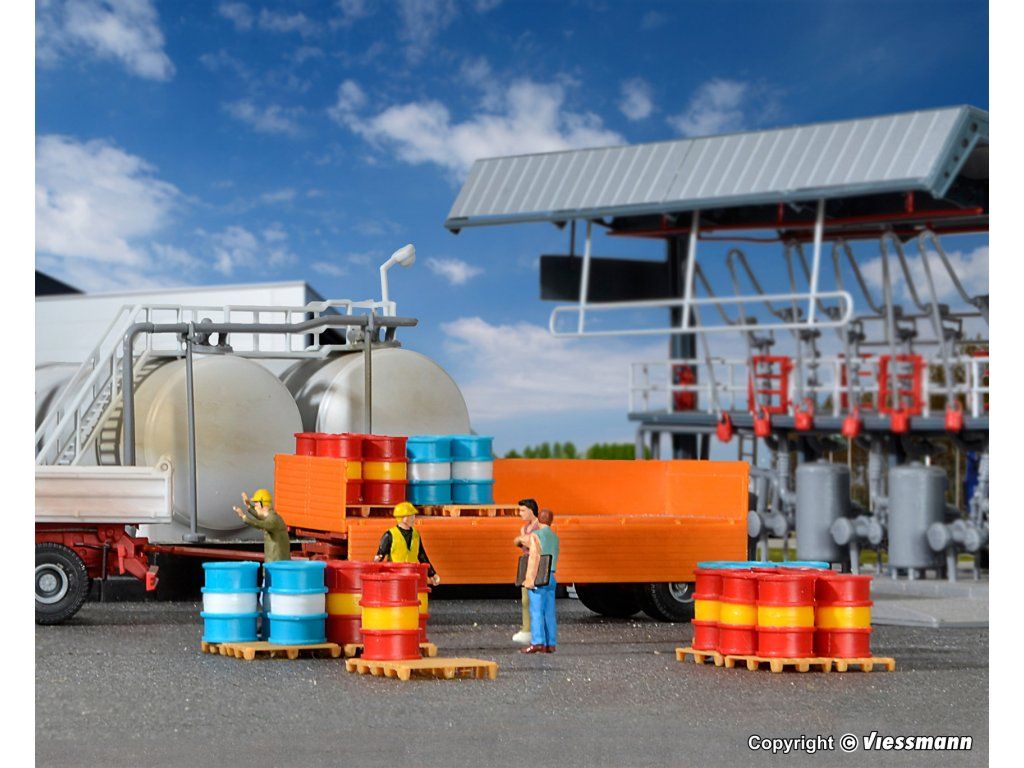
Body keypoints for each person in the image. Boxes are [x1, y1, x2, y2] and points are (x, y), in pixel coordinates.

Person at [373, 502, 441, 586]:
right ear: (403, 518)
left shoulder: (416, 534)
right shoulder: (390, 535)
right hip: (395, 578)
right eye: (411, 516)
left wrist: (432, 574)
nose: (414, 519)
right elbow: (380, 555)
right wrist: (375, 572)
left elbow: (422, 556)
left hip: (412, 576)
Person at [521, 508, 559, 654]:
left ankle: (537, 642)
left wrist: (529, 579)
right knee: (549, 612)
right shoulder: (555, 537)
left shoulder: (536, 536)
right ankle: (551, 643)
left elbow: (534, 558)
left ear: (539, 519)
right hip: (551, 576)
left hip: (539, 576)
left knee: (536, 611)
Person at [233, 489, 291, 562]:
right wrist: (248, 505)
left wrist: (244, 517)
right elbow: (260, 515)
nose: (255, 507)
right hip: (272, 561)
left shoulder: (273, 520)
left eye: (256, 504)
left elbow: (260, 524)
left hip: (278, 563)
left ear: (263, 504)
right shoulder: (269, 516)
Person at [512, 498, 540, 645]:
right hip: (527, 562)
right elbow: (520, 541)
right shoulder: (525, 528)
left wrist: (523, 540)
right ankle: (527, 629)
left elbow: (534, 542)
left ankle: (537, 630)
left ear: (531, 510)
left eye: (523, 510)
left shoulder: (539, 527)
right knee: (525, 599)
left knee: (537, 598)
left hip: (536, 563)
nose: (520, 513)